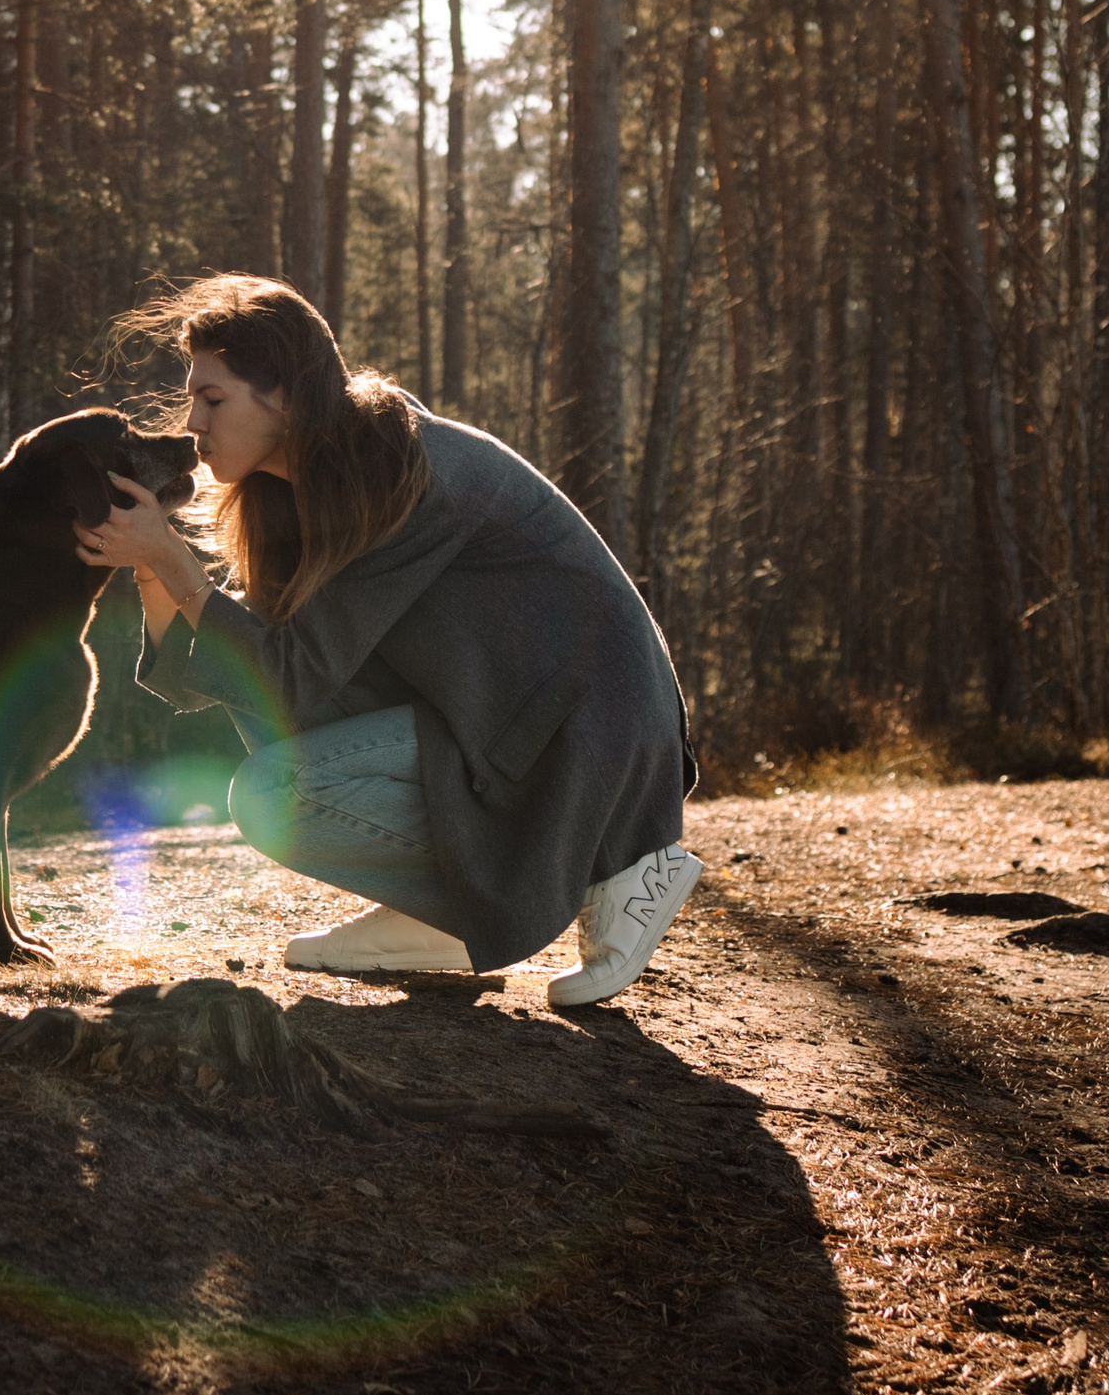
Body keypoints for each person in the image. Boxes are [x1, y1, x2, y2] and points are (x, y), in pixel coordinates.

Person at [73, 275, 700, 1009]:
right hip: (488, 713)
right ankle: (442, 914)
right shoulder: (294, 489)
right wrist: (154, 564)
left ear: (284, 397)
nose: (192, 425)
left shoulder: (396, 471)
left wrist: (174, 561)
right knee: (264, 699)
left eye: (212, 400)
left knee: (273, 792)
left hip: (592, 727)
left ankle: (631, 865)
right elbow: (241, 666)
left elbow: (289, 675)